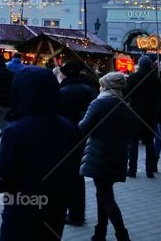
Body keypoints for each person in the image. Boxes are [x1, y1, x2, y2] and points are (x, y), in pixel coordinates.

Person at [0, 67, 79, 240]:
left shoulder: (16, 131)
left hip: (22, 216)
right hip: (54, 214)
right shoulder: (67, 128)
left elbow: (2, 181)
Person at [79, 72, 138, 241]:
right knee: (103, 194)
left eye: (102, 84)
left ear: (106, 86)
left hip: (99, 156)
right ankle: (100, 232)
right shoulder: (124, 106)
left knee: (106, 197)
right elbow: (134, 130)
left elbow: (83, 127)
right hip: (118, 155)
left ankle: (122, 235)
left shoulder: (98, 104)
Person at [58, 61, 98, 227]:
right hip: (91, 137)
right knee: (89, 180)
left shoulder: (62, 91)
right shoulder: (91, 88)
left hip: (69, 138)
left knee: (72, 177)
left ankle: (74, 213)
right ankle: (80, 214)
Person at [124, 55, 161, 178]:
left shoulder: (133, 77)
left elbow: (125, 94)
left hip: (135, 114)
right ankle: (149, 170)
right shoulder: (155, 79)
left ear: (139, 65)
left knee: (133, 143)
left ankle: (132, 170)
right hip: (150, 115)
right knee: (149, 143)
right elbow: (158, 97)